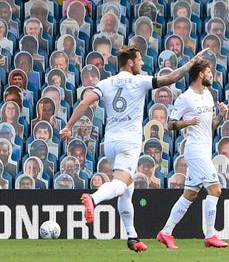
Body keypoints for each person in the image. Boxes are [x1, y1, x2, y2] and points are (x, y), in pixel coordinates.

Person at [60, 46, 209, 252]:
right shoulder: (140, 81)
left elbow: (85, 103)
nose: (141, 63)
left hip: (110, 142)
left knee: (127, 191)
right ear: (130, 62)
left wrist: (68, 126)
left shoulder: (105, 83)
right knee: (121, 184)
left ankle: (132, 237)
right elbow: (171, 78)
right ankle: (93, 199)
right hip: (128, 142)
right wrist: (191, 63)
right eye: (139, 60)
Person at [156, 59, 229, 249]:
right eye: (209, 72)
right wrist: (187, 122)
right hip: (195, 151)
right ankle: (210, 235)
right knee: (216, 190)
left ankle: (165, 232)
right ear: (200, 75)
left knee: (189, 195)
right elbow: (170, 124)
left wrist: (221, 114)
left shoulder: (208, 95)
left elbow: (211, 126)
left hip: (204, 149)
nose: (212, 75)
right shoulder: (185, 98)